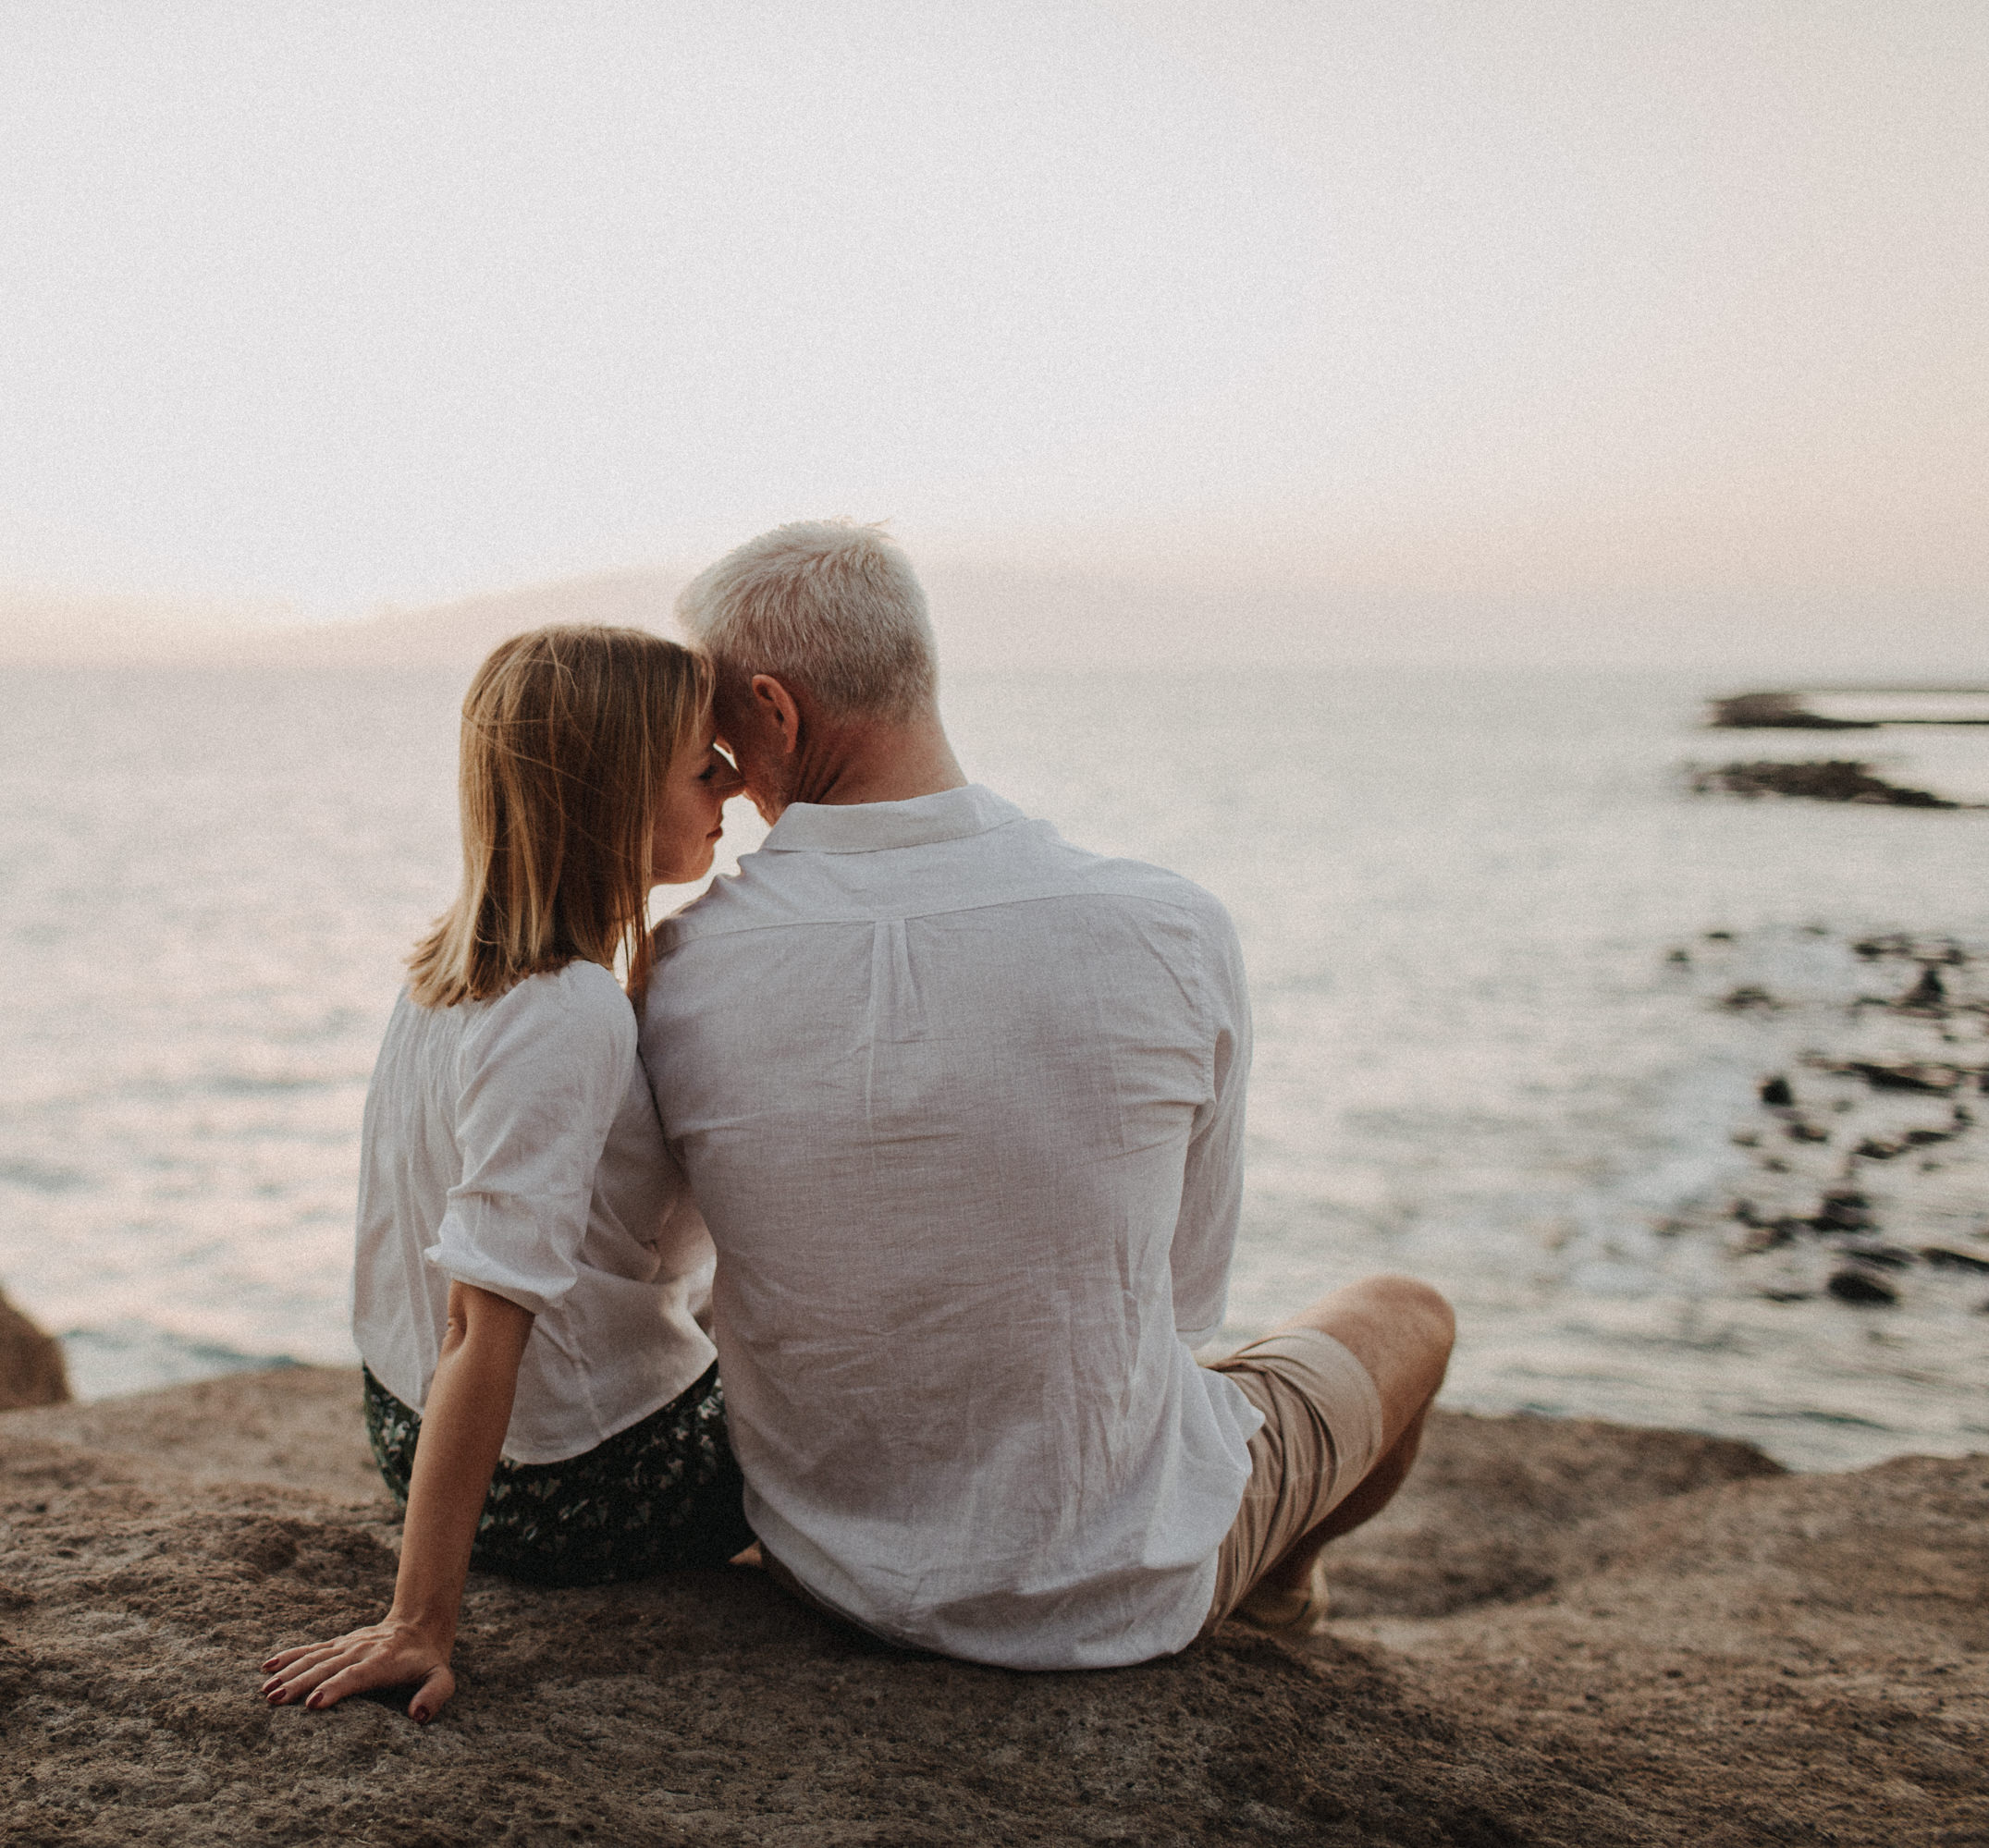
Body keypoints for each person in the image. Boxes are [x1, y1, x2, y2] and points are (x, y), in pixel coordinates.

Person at [639, 520, 1456, 1670]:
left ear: (775, 711)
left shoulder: (679, 968)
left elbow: (654, 1285)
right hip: (1113, 1589)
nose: (721, 768)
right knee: (1406, 1308)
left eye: (719, 733)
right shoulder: (1168, 925)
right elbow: (1181, 1303)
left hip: (825, 1570)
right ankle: (1277, 1580)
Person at [261, 624, 754, 1722]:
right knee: (882, 1366)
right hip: (573, 1485)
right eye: (699, 765)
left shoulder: (443, 971)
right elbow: (480, 1326)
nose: (733, 782)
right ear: (615, 795)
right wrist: (418, 1622)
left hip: (398, 1431)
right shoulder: (563, 1010)